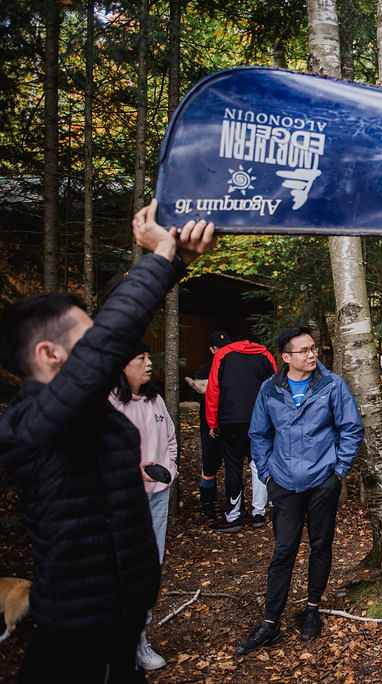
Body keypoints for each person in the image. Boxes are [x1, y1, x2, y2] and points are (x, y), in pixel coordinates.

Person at [0, 201, 214, 682]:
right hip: (75, 638)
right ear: (49, 354)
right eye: (91, 339)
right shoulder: (31, 423)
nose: (108, 348)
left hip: (118, 629)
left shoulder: (91, 412)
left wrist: (176, 259)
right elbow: (111, 342)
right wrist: (159, 259)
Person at [235, 326, 364, 654]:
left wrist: (337, 472)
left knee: (321, 546)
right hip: (284, 483)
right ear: (286, 357)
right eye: (304, 350)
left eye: (313, 349)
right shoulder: (269, 389)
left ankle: (312, 610)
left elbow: (351, 428)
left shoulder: (332, 385)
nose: (312, 355)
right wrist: (267, 474)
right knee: (283, 551)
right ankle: (270, 622)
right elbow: (259, 434)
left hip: (322, 480)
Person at [110, 343, 177, 671]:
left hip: (157, 496)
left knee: (150, 566)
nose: (150, 364)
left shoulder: (156, 400)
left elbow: (170, 441)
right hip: (122, 501)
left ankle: (139, 639)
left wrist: (169, 473)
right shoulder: (107, 404)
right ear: (123, 366)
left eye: (150, 358)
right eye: (141, 359)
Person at [205, 333, 277, 531]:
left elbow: (213, 389)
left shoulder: (223, 355)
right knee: (258, 464)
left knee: (233, 467)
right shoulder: (266, 355)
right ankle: (259, 513)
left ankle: (233, 516)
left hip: (230, 420)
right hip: (260, 419)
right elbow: (277, 388)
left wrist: (213, 422)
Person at [185, 330, 231, 520]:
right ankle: (207, 503)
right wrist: (207, 391)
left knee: (232, 465)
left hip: (230, 424)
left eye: (226, 347)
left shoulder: (234, 367)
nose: (223, 351)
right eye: (219, 348)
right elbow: (193, 394)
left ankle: (234, 502)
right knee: (209, 464)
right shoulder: (204, 370)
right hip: (208, 426)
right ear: (212, 350)